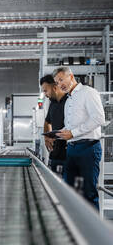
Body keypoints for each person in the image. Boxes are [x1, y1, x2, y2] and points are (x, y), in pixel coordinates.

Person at [54, 66, 105, 210]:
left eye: (61, 79)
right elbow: (69, 126)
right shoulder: (69, 100)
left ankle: (92, 231)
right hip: (71, 149)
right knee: (69, 192)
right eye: (57, 83)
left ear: (71, 76)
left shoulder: (88, 93)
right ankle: (73, 228)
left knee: (89, 193)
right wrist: (58, 134)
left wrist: (73, 133)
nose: (60, 84)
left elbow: (99, 118)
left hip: (88, 149)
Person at [40, 75, 68, 173]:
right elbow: (47, 121)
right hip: (56, 153)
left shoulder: (69, 101)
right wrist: (46, 137)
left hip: (69, 153)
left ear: (55, 87)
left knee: (71, 186)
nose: (45, 94)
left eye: (45, 91)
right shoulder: (53, 103)